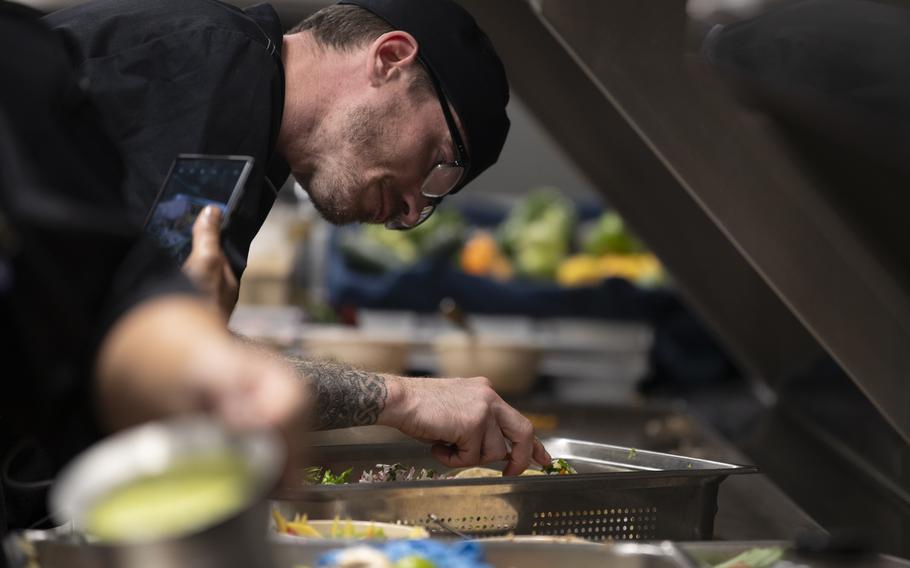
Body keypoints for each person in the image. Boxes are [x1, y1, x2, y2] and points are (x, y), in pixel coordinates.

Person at [45, 0, 549, 475]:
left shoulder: (248, 110)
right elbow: (147, 350)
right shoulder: (215, 73)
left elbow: (162, 341)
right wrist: (403, 398)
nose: (414, 206)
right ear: (391, 58)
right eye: (442, 163)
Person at [0, 1, 309, 537]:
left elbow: (105, 299)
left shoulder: (18, 63)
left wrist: (196, 360)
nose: (409, 213)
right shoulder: (222, 58)